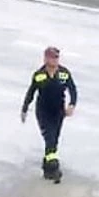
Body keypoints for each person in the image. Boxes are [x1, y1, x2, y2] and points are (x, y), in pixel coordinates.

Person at [21, 46, 77, 183]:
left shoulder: (64, 73)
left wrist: (71, 105)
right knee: (50, 139)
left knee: (54, 140)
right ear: (45, 58)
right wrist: (24, 109)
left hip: (58, 113)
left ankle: (47, 168)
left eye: (56, 57)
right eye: (51, 57)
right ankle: (54, 168)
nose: (54, 60)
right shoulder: (39, 75)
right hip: (43, 112)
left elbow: (73, 90)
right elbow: (31, 93)